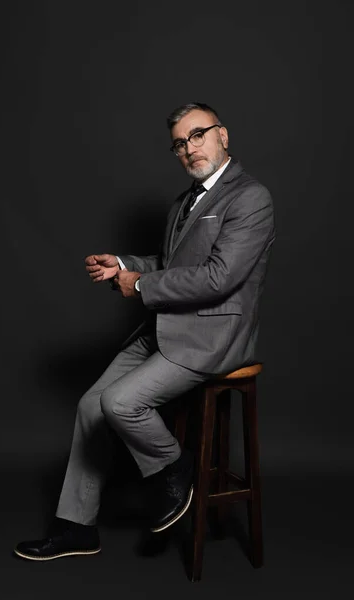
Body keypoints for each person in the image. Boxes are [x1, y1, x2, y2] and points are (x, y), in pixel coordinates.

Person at [14, 102, 275, 561]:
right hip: (164, 327)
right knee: (91, 406)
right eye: (179, 143)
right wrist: (124, 266)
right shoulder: (184, 202)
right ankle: (76, 527)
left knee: (120, 403)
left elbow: (219, 278)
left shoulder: (251, 197)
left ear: (223, 135)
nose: (190, 148)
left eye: (198, 135)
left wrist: (141, 285)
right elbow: (172, 267)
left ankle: (176, 466)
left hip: (211, 338)